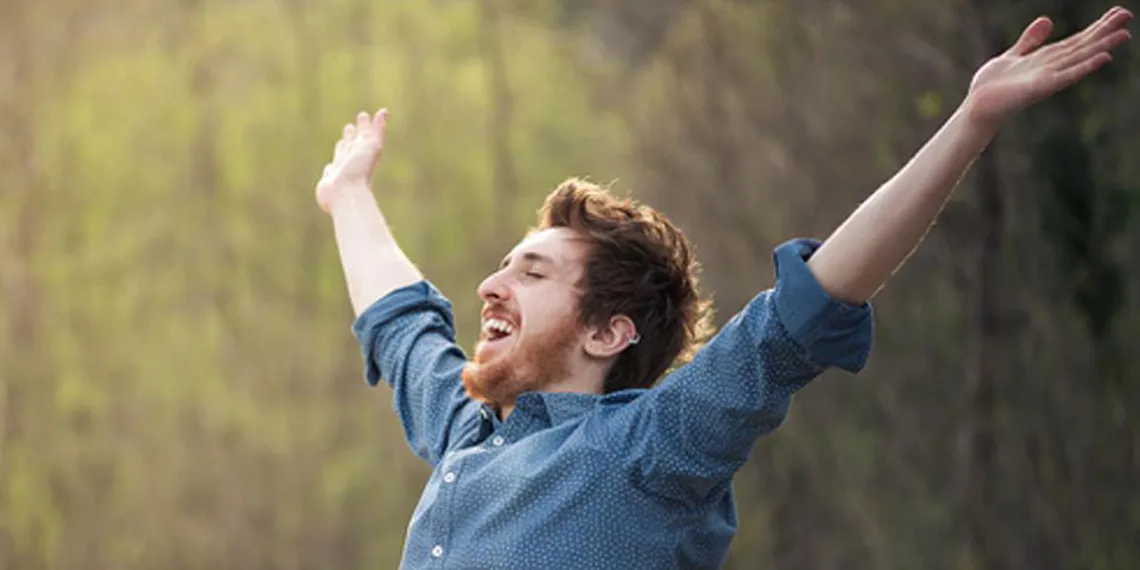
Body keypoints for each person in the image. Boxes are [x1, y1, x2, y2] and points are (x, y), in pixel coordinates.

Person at [316, 8, 1131, 569]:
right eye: (504, 266)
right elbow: (404, 325)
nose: (490, 286)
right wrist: (349, 193)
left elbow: (801, 313)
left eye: (532, 273)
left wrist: (970, 123)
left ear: (608, 334)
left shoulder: (647, 451)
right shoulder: (467, 437)